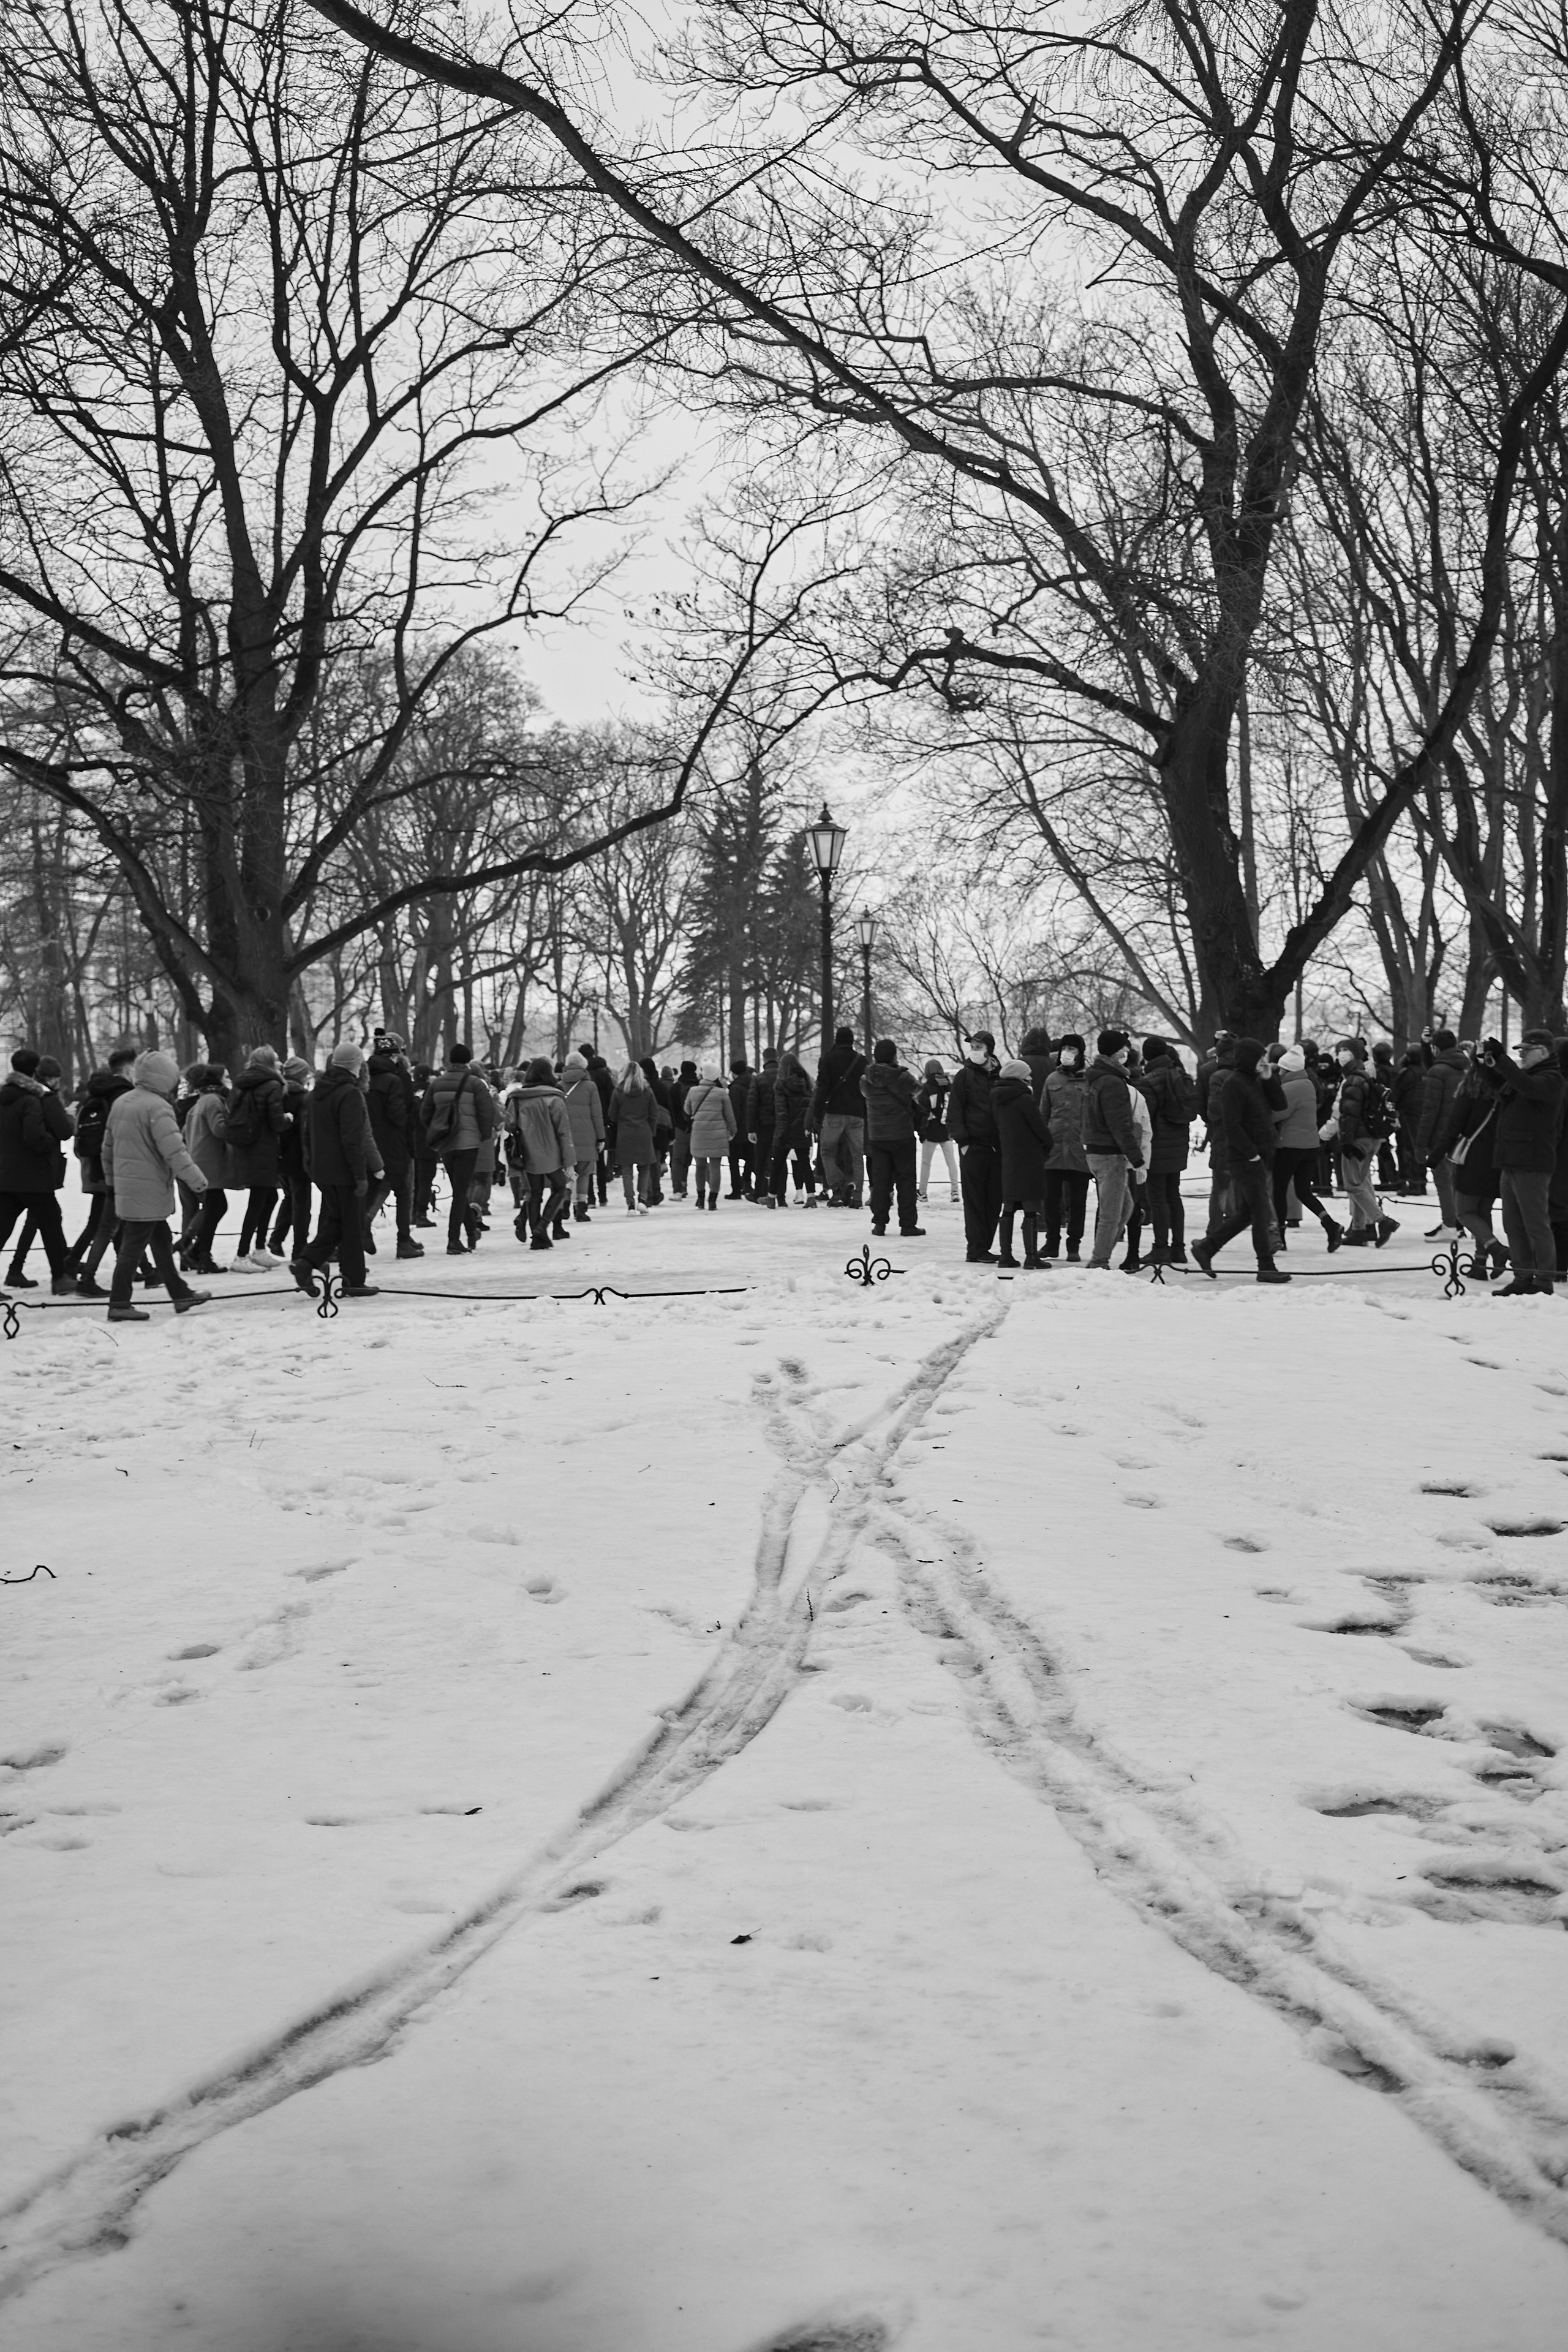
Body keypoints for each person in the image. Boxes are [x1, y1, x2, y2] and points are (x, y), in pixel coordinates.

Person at [98, 1051, 213, 1320]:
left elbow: (108, 1149)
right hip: (148, 1190)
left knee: (160, 1241)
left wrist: (112, 1183)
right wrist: (198, 1182)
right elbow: (175, 1152)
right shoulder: (158, 1108)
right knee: (132, 1248)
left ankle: (180, 1294)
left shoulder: (122, 1103)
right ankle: (119, 1303)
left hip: (130, 1189)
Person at [1191, 1040, 1290, 1284]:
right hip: (1244, 1158)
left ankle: (1207, 1247)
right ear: (1248, 1058)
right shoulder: (1233, 1084)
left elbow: (1281, 1105)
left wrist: (1270, 1079)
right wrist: (1250, 1153)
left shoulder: (1257, 1080)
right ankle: (1265, 1266)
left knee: (1247, 1213)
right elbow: (1231, 1124)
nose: (1263, 1062)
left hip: (1259, 1154)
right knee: (1261, 1212)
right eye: (1259, 1058)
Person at [290, 1042, 382, 1299]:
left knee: (337, 1221)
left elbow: (307, 1134)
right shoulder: (350, 1094)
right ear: (357, 1064)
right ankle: (353, 1280)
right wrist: (360, 1174)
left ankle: (306, 1263)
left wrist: (311, 1164)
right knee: (351, 1225)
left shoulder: (318, 1092)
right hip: (344, 1170)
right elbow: (352, 1138)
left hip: (322, 1169)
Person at [1480, 1028, 1567, 1295]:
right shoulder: (1526, 1077)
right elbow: (1501, 1087)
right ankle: (1522, 1276)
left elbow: (1527, 1087)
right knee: (1513, 1224)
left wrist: (1503, 1059)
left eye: (1525, 1052)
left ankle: (1543, 1280)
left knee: (1536, 1224)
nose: (1521, 1057)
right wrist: (1484, 1063)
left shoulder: (1552, 1078)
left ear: (1542, 1052)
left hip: (1533, 1162)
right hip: (1512, 1160)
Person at [61, 1046, 138, 1296]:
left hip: (97, 1169)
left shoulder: (94, 1098)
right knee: (106, 1225)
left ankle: (142, 1270)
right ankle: (81, 1271)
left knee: (108, 1223)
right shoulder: (121, 1096)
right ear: (128, 1069)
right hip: (115, 1171)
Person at [0, 1048, 78, 1294]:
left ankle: (30, 1271)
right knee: (51, 1223)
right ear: (36, 1071)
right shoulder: (33, 1099)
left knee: (2, 1227)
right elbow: (35, 1137)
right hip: (33, 1176)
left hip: (5, 1175)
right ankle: (60, 1278)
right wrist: (48, 1145)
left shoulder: (3, 1097)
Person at [421, 1041, 496, 1255]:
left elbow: (425, 1114)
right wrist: (482, 1136)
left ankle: (471, 1233)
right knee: (461, 1191)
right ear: (467, 1060)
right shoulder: (475, 1084)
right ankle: (454, 1239)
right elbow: (486, 1113)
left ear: (450, 1061)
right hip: (469, 1144)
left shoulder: (437, 1084)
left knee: (459, 1189)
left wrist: (439, 1130)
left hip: (446, 1144)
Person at [222, 1045, 290, 1270]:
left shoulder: (242, 1084)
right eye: (277, 1060)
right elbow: (276, 1121)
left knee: (268, 1198)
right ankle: (242, 1255)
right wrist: (289, 1118)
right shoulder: (272, 1085)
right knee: (259, 1201)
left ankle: (259, 1248)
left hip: (247, 1148)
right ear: (269, 1063)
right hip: (263, 1149)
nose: (280, 1064)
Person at [1080, 1030, 1144, 1270]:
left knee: (1124, 1207)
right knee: (1111, 1213)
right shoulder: (1112, 1082)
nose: (1128, 1052)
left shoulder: (1097, 1078)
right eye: (1125, 1048)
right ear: (1117, 1052)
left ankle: (1101, 1255)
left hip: (1097, 1151)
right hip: (1109, 1153)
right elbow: (1119, 1123)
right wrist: (1135, 1155)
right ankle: (1099, 1261)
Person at [1270, 1045, 1343, 1252]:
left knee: (1280, 1191)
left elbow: (1278, 1114)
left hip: (1290, 1146)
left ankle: (1281, 1237)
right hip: (1311, 1145)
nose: (1280, 1072)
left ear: (1288, 1070)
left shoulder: (1290, 1088)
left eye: (1282, 1069)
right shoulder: (1308, 1084)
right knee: (1304, 1191)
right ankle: (1330, 1225)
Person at [1329, 1038, 1399, 1246]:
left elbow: (1349, 1114)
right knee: (1363, 1182)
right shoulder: (1365, 1076)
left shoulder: (1352, 1080)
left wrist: (1347, 1142)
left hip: (1358, 1139)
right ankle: (1359, 1229)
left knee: (1353, 1185)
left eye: (1345, 1051)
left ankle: (1382, 1221)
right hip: (1372, 1138)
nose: (1341, 1055)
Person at [1447, 1052, 1509, 1281]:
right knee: (1483, 1211)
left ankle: (1496, 1249)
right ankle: (1480, 1263)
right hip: (1497, 1160)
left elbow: (1453, 1127)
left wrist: (1434, 1154)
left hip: (1472, 1160)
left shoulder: (1468, 1095)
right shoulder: (1504, 1096)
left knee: (1464, 1212)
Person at [1138, 1039, 1197, 1267]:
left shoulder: (1149, 1081)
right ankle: (1179, 1249)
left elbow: (1147, 1120)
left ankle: (1161, 1247)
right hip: (1179, 1144)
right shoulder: (1180, 1074)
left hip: (1157, 1147)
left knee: (1157, 1198)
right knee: (1174, 1196)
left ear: (1146, 1056)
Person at [505, 1058, 576, 1248]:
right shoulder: (554, 1099)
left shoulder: (517, 1099)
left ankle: (536, 1236)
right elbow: (564, 1132)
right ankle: (542, 1227)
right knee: (560, 1187)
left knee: (534, 1193)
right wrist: (569, 1161)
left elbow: (509, 1125)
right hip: (551, 1152)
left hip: (526, 1153)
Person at [947, 1030, 1003, 1262]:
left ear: (989, 1049)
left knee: (994, 1199)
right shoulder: (964, 1076)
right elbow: (955, 1112)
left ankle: (985, 1247)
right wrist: (964, 1142)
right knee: (975, 1201)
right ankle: (976, 1249)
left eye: (979, 1046)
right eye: (974, 1046)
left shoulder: (1001, 1076)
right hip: (973, 1147)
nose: (975, 1050)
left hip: (997, 1149)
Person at [365, 1035, 421, 1259]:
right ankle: (403, 1242)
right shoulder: (395, 1079)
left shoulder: (366, 1078)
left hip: (371, 1143)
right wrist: (413, 1106)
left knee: (376, 1188)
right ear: (394, 1055)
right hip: (395, 1143)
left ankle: (363, 1224)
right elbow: (398, 1116)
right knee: (404, 1192)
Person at [861, 1039, 924, 1238]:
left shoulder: (865, 1080)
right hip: (902, 1135)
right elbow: (919, 1091)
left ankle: (879, 1224)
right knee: (906, 1180)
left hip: (877, 1136)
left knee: (881, 1181)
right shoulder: (902, 1077)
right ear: (894, 1055)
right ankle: (908, 1224)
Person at [992, 1057, 1049, 1269]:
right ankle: (1031, 1257)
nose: (1031, 1079)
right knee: (1030, 1208)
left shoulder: (997, 1098)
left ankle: (1006, 1255)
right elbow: (1040, 1127)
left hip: (1008, 1158)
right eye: (1028, 1076)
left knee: (1008, 1207)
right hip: (1029, 1158)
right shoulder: (1025, 1099)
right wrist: (1047, 1144)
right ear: (1020, 1078)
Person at [1414, 1028, 1468, 1240]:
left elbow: (1430, 1111)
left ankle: (1450, 1225)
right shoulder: (1466, 1067)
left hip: (1441, 1136)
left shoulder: (1439, 1071)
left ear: (1437, 1048)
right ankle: (1459, 1223)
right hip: (1464, 1134)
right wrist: (1426, 1045)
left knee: (1444, 1182)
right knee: (1458, 1182)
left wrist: (1420, 1144)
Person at [1041, 1035, 1090, 1262]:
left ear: (1080, 1052)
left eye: (1072, 1049)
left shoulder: (1089, 1080)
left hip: (1079, 1150)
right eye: (1065, 1049)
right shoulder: (1052, 1079)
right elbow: (1044, 1113)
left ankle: (1074, 1244)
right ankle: (1052, 1243)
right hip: (1054, 1149)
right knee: (1051, 1200)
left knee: (1078, 1201)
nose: (1067, 1053)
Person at [179, 1064, 232, 1272]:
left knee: (214, 1207)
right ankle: (196, 1252)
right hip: (208, 1163)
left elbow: (185, 1133)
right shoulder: (213, 1101)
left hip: (199, 1160)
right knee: (216, 1206)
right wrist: (238, 1125)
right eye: (226, 1076)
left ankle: (196, 1252)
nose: (229, 1079)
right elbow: (219, 1129)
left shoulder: (200, 1102)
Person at [811, 1027, 867, 1207]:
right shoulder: (862, 1061)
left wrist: (817, 1113)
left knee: (827, 1152)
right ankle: (857, 1196)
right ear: (852, 1041)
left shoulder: (829, 1060)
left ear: (837, 1040)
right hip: (857, 1113)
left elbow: (822, 1088)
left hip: (835, 1112)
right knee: (858, 1156)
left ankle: (838, 1189)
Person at [559, 1052, 606, 1223]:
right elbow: (597, 1115)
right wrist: (601, 1137)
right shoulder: (591, 1087)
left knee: (568, 1172)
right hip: (587, 1136)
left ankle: (565, 1200)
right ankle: (581, 1209)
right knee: (585, 1173)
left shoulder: (559, 1085)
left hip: (565, 1136)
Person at [684, 1064, 737, 1210]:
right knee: (715, 1168)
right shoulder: (722, 1093)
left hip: (699, 1133)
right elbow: (730, 1116)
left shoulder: (693, 1091)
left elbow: (687, 1110)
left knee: (700, 1167)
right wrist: (733, 1131)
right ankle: (712, 1200)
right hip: (718, 1134)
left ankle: (700, 1199)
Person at [609, 1060, 658, 1213]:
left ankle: (630, 1203)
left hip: (625, 1134)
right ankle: (643, 1200)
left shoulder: (618, 1091)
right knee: (644, 1169)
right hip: (644, 1132)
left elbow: (612, 1115)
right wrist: (652, 1131)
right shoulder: (647, 1090)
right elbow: (654, 1113)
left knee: (626, 1171)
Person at [768, 1050, 815, 1206]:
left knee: (778, 1164)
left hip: (787, 1130)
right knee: (804, 1164)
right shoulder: (807, 1082)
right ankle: (812, 1197)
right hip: (803, 1129)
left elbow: (782, 1112)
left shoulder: (781, 1085)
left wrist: (780, 1133)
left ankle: (771, 1197)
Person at [914, 1059, 957, 1204]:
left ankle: (923, 1192)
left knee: (926, 1162)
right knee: (951, 1162)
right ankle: (955, 1191)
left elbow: (924, 1110)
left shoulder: (926, 1088)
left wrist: (922, 1131)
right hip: (947, 1129)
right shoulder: (949, 1086)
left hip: (931, 1130)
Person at [1390, 1045, 1428, 1194]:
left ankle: (1413, 1182)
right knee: (1420, 1148)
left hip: (1408, 1115)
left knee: (1408, 1148)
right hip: (1424, 1114)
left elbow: (1396, 1094)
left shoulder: (1407, 1074)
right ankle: (1421, 1182)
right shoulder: (1428, 1071)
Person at [747, 1048, 779, 1197]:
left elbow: (752, 1104)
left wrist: (751, 1128)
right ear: (777, 1058)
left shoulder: (759, 1078)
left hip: (764, 1124)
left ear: (764, 1059)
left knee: (761, 1158)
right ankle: (780, 1194)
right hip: (781, 1123)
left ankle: (759, 1191)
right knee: (780, 1158)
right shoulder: (784, 1076)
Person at [726, 1055, 755, 1199]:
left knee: (734, 1161)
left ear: (733, 1073)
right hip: (752, 1128)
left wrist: (732, 1129)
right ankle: (749, 1183)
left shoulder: (735, 1088)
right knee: (751, 1158)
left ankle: (736, 1189)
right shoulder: (754, 1083)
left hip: (738, 1130)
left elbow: (734, 1111)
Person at [668, 1058, 698, 1198]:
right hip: (696, 1127)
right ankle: (685, 1183)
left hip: (680, 1127)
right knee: (690, 1158)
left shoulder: (675, 1087)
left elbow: (672, 1109)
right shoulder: (699, 1086)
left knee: (677, 1159)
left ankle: (677, 1189)